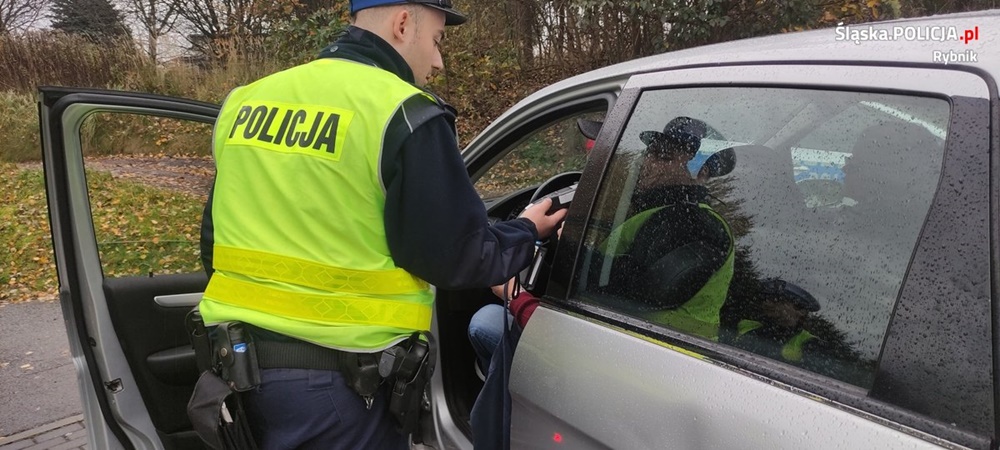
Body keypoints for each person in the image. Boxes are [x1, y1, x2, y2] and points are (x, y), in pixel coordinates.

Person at [194, 0, 567, 448]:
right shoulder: (404, 112)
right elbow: (457, 256)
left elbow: (215, 244)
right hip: (339, 388)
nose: (437, 60)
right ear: (403, 22)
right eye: (436, 41)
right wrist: (527, 232)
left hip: (236, 374)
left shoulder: (245, 101)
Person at [597, 116, 735, 340]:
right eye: (649, 153)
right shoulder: (659, 211)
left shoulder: (692, 222)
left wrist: (567, 251)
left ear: (700, 173)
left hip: (667, 354)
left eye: (663, 157)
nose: (648, 162)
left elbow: (633, 289)